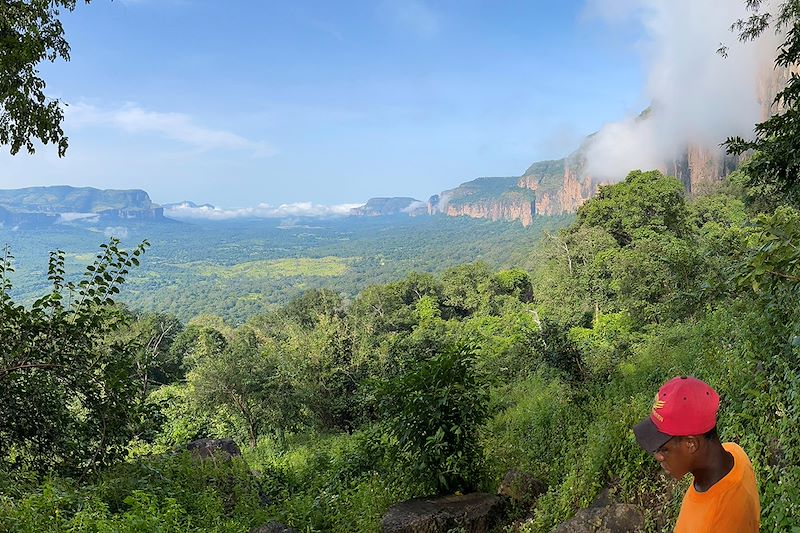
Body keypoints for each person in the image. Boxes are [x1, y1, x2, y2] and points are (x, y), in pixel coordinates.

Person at [633, 376, 760, 532]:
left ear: (691, 444)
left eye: (663, 449)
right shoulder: (734, 452)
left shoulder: (713, 523)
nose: (658, 457)